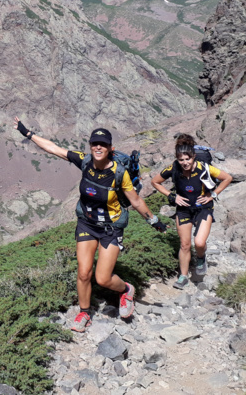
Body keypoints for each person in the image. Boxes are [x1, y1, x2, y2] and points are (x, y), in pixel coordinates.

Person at [14, 117, 168, 332]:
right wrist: (27, 133)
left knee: (103, 279)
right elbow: (54, 149)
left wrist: (153, 220)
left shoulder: (118, 173)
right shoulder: (84, 161)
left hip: (110, 228)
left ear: (110, 148)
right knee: (84, 273)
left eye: (103, 144)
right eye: (95, 143)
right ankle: (84, 312)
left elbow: (135, 201)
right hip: (86, 224)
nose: (98, 147)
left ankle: (126, 289)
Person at [150, 133, 232, 289]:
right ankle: (183, 276)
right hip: (183, 210)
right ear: (177, 159)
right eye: (181, 160)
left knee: (199, 243)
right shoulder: (173, 168)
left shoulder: (204, 167)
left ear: (193, 157)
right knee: (185, 245)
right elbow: (155, 181)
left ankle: (201, 257)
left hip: (203, 208)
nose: (185, 163)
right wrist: (172, 196)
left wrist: (212, 194)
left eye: (188, 159)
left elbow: (227, 178)